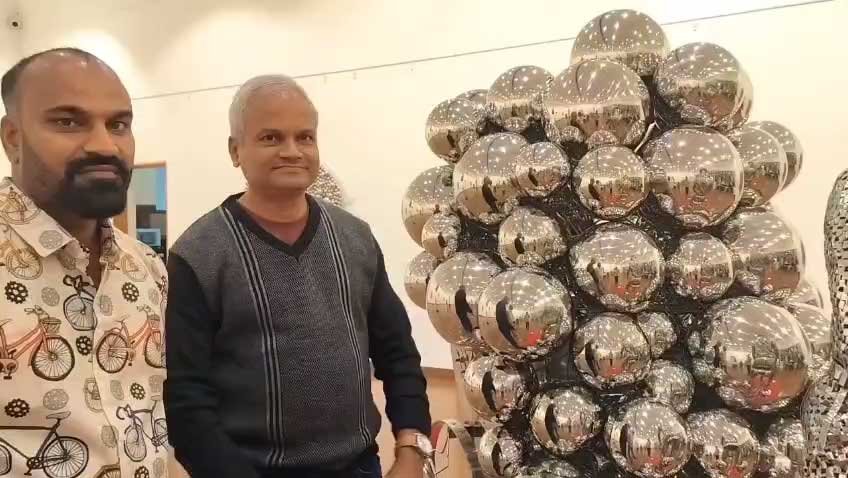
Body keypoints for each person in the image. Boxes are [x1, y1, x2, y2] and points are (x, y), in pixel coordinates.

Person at [164, 75, 433, 478]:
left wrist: (412, 452)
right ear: (235, 150)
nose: (292, 151)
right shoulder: (198, 255)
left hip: (359, 467)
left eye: (305, 137)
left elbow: (398, 355)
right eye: (271, 137)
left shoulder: (355, 238)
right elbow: (187, 401)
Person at [0, 48, 168, 478]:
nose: (104, 145)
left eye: (119, 124)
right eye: (68, 122)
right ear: (13, 138)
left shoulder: (146, 267)